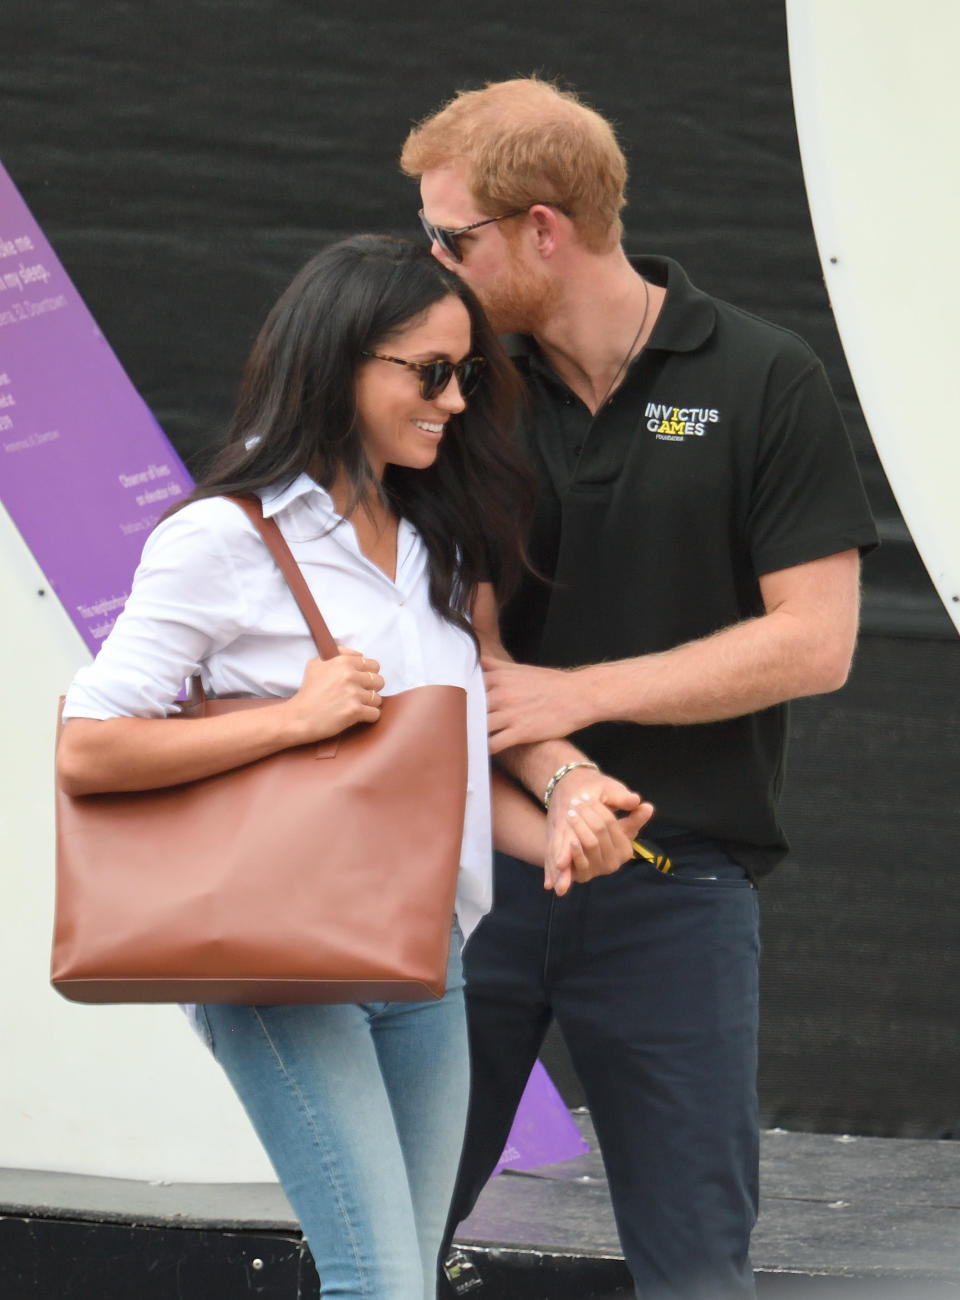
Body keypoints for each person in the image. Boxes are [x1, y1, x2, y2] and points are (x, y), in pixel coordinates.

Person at [56, 234, 642, 1299]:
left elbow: (432, 787)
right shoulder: (224, 539)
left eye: (466, 374)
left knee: (407, 1276)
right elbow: (90, 749)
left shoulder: (436, 541)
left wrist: (556, 826)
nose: (457, 401)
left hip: (425, 959)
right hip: (284, 964)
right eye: (428, 373)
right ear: (338, 364)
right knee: (379, 1281)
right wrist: (295, 720)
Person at [400, 78, 879, 1299]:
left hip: (677, 885)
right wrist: (553, 762)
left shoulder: (767, 379)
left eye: (453, 236)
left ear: (544, 230)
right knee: (380, 1245)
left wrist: (575, 694)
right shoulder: (460, 392)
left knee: (697, 1270)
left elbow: (815, 642)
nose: (432, 258)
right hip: (472, 869)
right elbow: (465, 643)